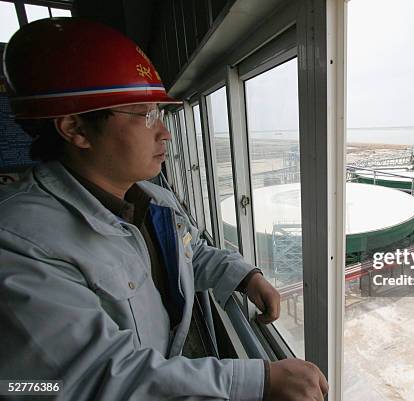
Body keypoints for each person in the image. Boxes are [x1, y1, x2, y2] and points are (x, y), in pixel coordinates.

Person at [0, 18, 328, 401]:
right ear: (76, 129)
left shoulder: (152, 200)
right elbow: (87, 379)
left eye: (161, 113)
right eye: (145, 114)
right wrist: (257, 380)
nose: (165, 131)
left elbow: (187, 253)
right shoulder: (20, 244)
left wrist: (243, 276)